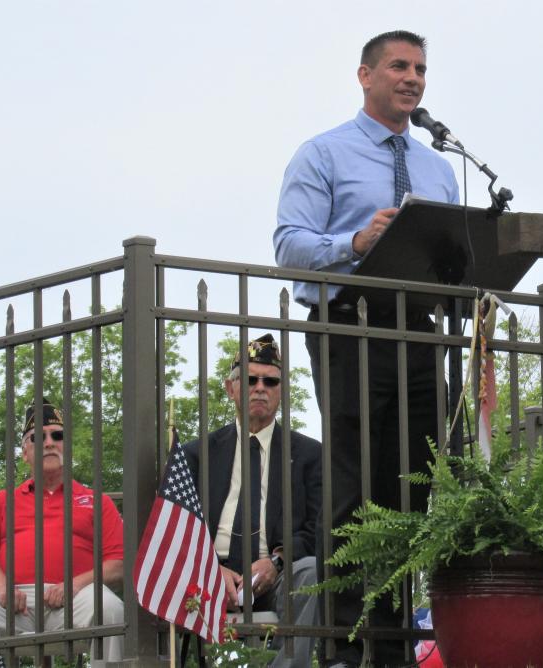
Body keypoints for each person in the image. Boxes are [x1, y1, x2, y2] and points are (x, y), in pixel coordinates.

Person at [273, 30, 459, 667]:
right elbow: (289, 246)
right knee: (353, 486)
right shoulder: (323, 153)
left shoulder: (440, 166)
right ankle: (346, 644)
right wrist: (354, 243)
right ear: (365, 75)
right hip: (349, 325)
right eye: (400, 66)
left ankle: (396, 638)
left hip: (419, 332)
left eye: (421, 69)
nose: (413, 78)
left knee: (414, 487)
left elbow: (453, 257)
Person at [181, 334, 322, 668]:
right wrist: (212, 569)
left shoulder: (309, 455)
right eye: (249, 379)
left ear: (281, 392)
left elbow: (318, 528)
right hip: (208, 573)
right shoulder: (196, 454)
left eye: (270, 381)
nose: (260, 388)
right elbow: (178, 530)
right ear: (231, 389)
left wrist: (277, 561)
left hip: (277, 573)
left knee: (313, 572)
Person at [0, 400, 124, 666]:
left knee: (111, 610)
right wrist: (3, 587)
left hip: (76, 596)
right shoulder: (1, 501)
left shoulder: (96, 500)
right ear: (25, 452)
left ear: (68, 446)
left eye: (58, 435)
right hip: (14, 599)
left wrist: (75, 584)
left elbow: (118, 564)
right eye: (37, 437)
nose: (49, 442)